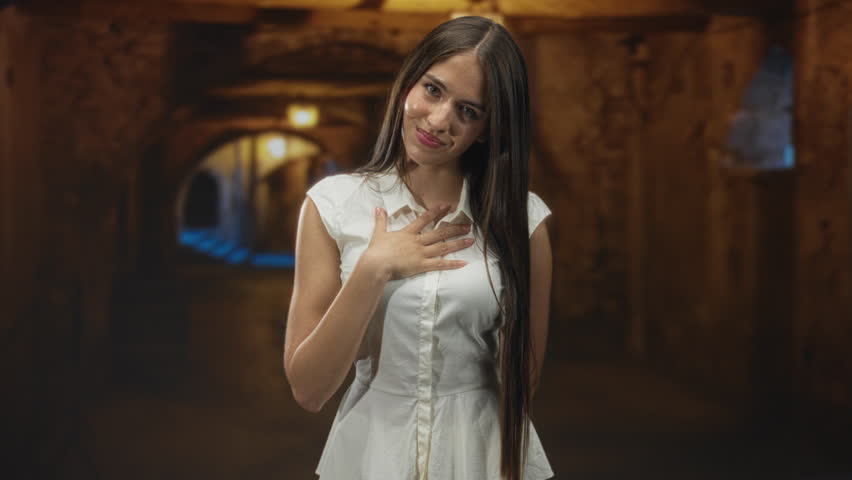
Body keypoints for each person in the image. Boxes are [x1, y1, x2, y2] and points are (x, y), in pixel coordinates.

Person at [284, 15, 554, 480]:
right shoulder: (333, 205)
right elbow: (308, 390)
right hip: (370, 458)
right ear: (408, 83)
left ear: (486, 129)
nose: (439, 120)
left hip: (481, 456)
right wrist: (373, 269)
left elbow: (520, 383)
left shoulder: (524, 220)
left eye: (468, 111)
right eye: (432, 90)